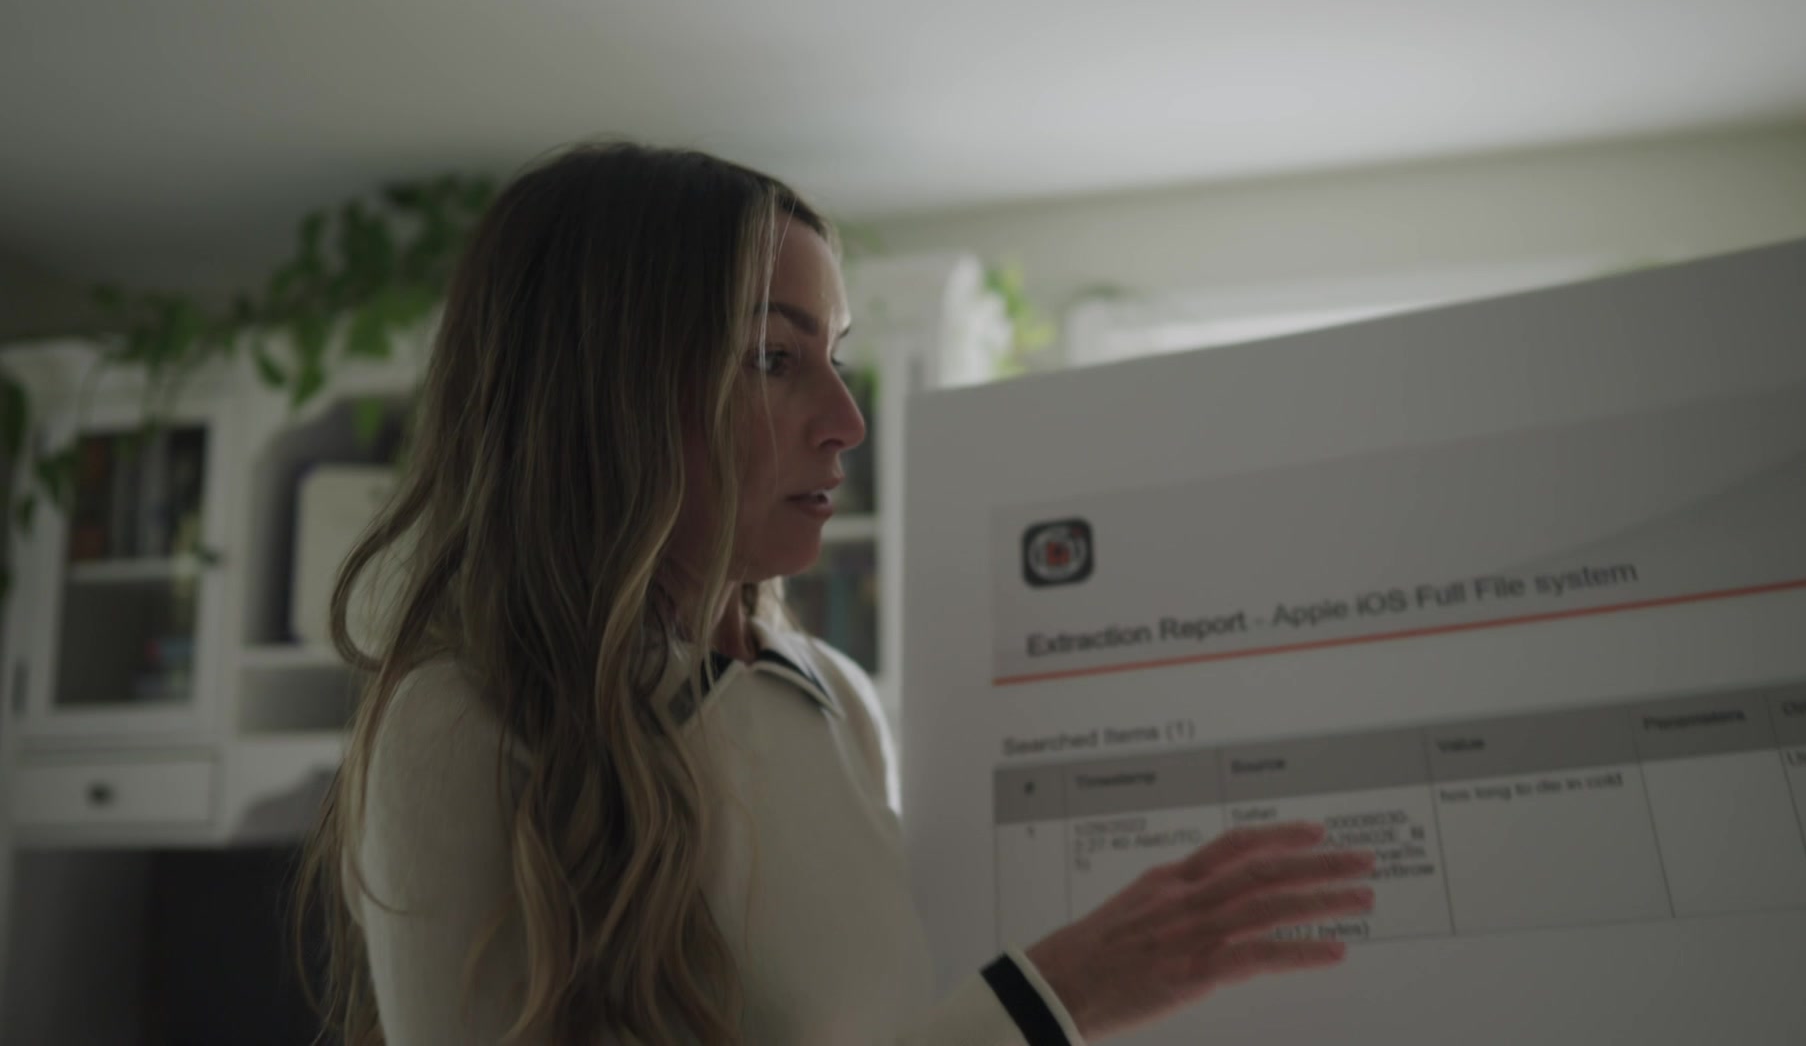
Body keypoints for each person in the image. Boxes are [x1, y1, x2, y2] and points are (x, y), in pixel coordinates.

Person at [296, 142, 1376, 1045]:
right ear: (605, 390)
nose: (846, 422)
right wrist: (1051, 1003)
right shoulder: (460, 724)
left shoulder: (836, 697)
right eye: (774, 358)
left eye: (837, 359)